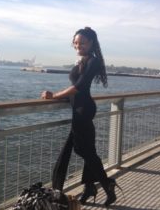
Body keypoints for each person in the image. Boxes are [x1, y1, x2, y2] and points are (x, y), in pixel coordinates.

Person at [41, 27, 117, 206]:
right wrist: (62, 96)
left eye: (82, 42)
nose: (78, 45)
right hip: (79, 109)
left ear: (91, 43)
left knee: (83, 150)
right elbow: (75, 89)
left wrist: (54, 95)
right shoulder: (82, 61)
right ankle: (90, 186)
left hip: (84, 110)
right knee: (86, 150)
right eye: (75, 42)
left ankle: (106, 184)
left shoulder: (93, 61)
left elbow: (79, 87)